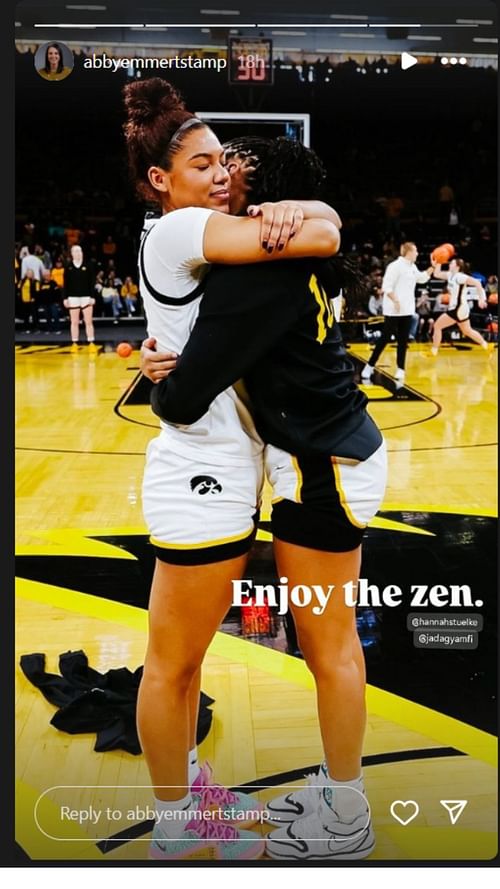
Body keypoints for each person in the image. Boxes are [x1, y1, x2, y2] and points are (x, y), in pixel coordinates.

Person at [140, 134, 386, 861]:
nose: (222, 180)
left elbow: (185, 393)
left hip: (322, 468)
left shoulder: (255, 276)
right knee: (325, 643)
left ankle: (346, 812)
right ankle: (338, 793)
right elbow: (325, 226)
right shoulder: (276, 252)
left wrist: (162, 375)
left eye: (232, 170)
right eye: (210, 166)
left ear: (261, 195)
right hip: (319, 459)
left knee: (329, 645)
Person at [361, 242, 434, 383]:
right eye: (416, 250)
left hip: (407, 309)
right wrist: (395, 300)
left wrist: (433, 267)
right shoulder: (394, 266)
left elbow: (422, 278)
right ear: (408, 252)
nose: (418, 253)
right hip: (393, 310)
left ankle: (401, 369)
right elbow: (386, 286)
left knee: (403, 340)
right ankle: (369, 365)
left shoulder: (412, 267)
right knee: (385, 338)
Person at [430, 257, 490, 355]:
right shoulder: (450, 275)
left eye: (452, 263)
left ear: (457, 266)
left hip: (458, 308)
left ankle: (433, 352)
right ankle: (486, 346)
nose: (449, 264)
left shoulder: (460, 277)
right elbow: (436, 274)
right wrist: (439, 262)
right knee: (467, 331)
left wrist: (481, 299)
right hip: (461, 308)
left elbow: (477, 283)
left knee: (437, 326)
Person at [64, 245, 96, 352]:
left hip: (86, 297)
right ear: (72, 253)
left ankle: (91, 342)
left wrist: (92, 297)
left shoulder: (88, 265)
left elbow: (92, 282)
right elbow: (65, 284)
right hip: (72, 297)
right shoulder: (68, 267)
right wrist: (65, 298)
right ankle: (74, 342)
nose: (78, 253)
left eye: (80, 251)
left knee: (88, 321)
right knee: (74, 321)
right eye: (76, 251)